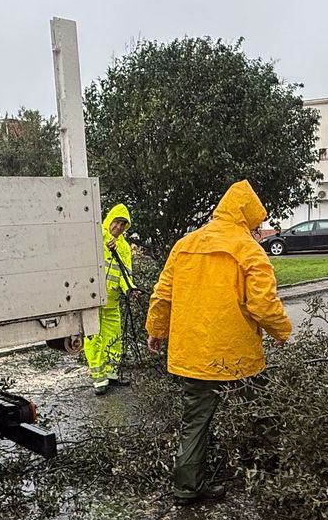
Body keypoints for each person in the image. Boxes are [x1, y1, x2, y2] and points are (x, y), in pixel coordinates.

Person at [145, 180, 292, 503]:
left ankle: (187, 487)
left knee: (195, 421)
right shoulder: (249, 251)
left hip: (194, 354)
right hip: (237, 355)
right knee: (261, 411)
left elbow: (163, 293)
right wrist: (281, 332)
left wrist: (157, 329)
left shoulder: (184, 245)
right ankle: (272, 474)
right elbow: (263, 305)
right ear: (248, 217)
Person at [85, 202, 134, 395]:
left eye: (123, 224)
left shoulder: (125, 247)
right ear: (110, 219)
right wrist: (104, 242)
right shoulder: (98, 234)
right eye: (117, 222)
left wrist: (130, 289)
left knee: (114, 338)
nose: (119, 227)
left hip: (112, 301)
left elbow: (126, 273)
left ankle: (112, 374)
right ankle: (99, 380)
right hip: (93, 300)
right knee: (94, 339)